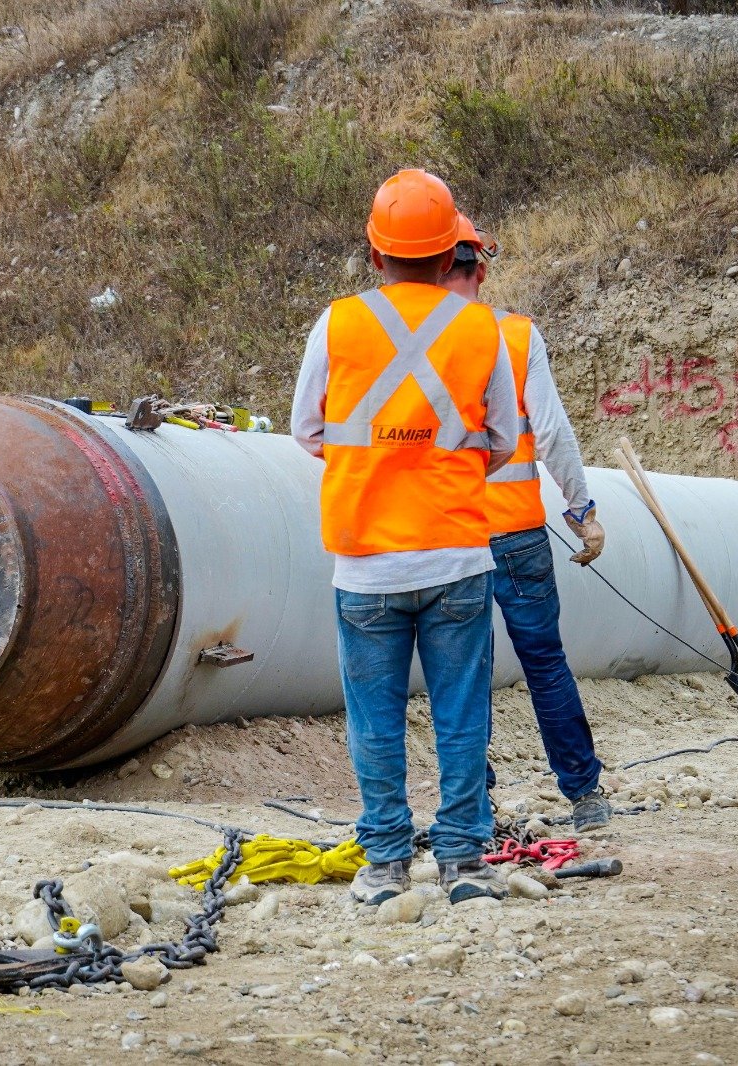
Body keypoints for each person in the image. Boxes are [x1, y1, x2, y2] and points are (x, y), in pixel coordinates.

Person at [291, 169, 521, 906]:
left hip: (365, 562)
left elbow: (306, 430)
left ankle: (386, 861)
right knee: (460, 715)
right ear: (453, 249)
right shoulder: (482, 328)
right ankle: (461, 860)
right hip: (455, 553)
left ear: (376, 252)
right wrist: (437, 453)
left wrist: (376, 456)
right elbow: (506, 442)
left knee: (375, 719)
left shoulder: (337, 324)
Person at [440, 216, 612, 833]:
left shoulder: (412, 342)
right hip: (517, 535)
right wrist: (582, 511)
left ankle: (473, 801)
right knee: (545, 662)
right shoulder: (514, 336)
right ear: (480, 269)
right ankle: (586, 795)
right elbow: (554, 432)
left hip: (449, 538)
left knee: (464, 671)